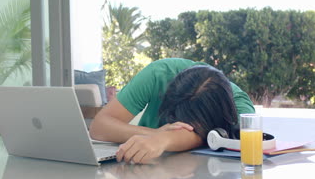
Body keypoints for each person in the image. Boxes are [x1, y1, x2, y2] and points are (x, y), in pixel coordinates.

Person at [89, 58, 255, 164]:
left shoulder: (239, 107)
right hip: (144, 166)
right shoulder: (158, 75)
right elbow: (100, 127)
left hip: (207, 172)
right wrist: (154, 134)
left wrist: (165, 139)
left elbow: (208, 137)